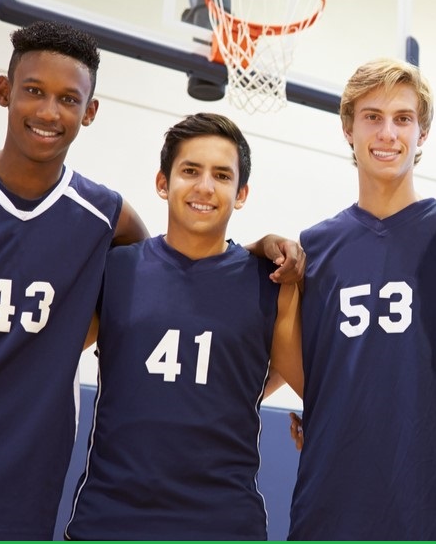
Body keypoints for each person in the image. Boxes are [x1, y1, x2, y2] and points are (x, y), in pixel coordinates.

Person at [0, 22, 299, 540]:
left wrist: (258, 250)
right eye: (33, 91)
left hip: (15, 505)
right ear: (3, 91)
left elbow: (181, 289)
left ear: (90, 111)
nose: (49, 112)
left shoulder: (107, 220)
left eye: (68, 98)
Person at [286, 58, 436, 540]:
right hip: (328, 502)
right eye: (372, 117)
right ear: (348, 129)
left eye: (403, 118)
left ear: (421, 133)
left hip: (429, 503)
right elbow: (293, 363)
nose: (388, 133)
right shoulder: (314, 247)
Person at [63, 113, 303, 540]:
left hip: (223, 526)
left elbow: (315, 383)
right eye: (190, 170)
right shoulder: (114, 270)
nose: (205, 187)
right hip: (109, 523)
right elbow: (37, 353)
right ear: (162, 182)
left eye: (222, 175)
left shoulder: (269, 282)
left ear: (241, 193)